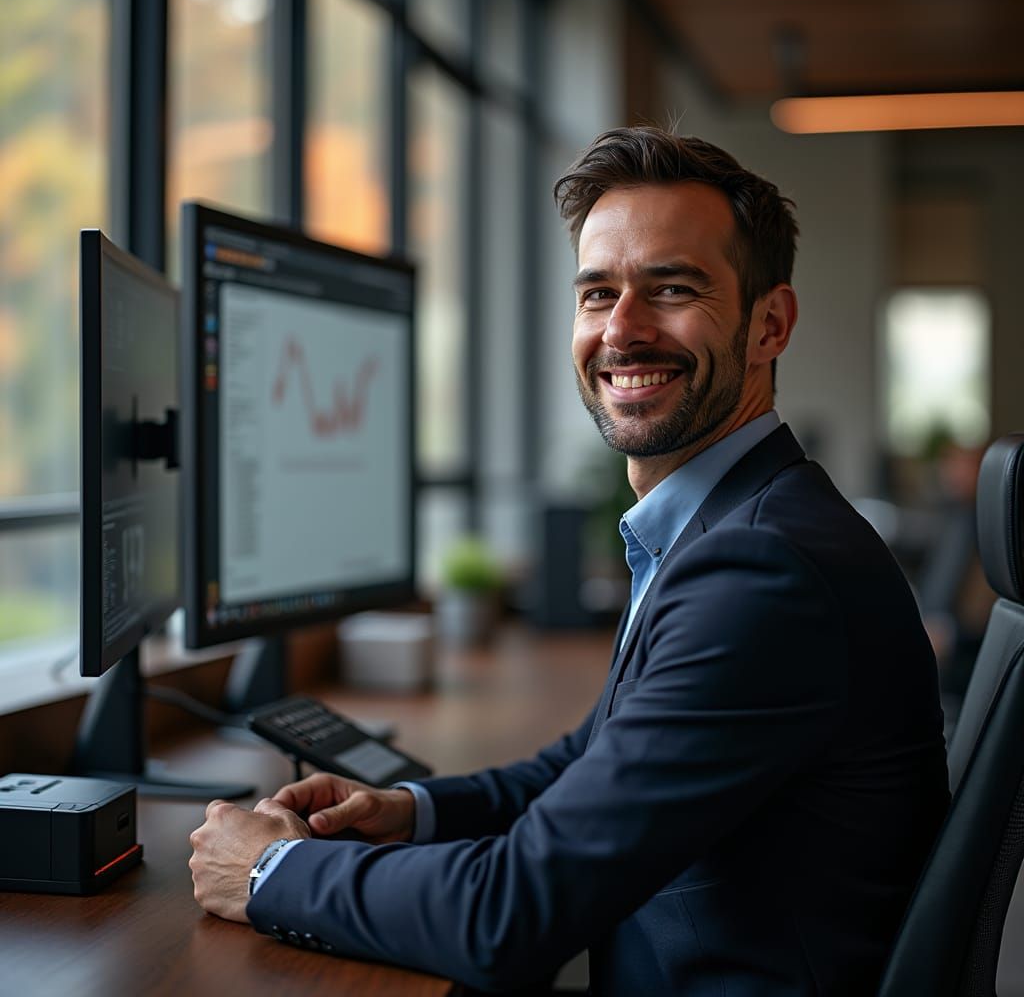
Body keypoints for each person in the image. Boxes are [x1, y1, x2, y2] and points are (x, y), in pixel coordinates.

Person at [190, 127, 950, 995]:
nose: (622, 331)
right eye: (597, 294)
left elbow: (509, 915)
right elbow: (587, 764)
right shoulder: (730, 525)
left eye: (672, 288)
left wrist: (267, 875)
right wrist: (410, 812)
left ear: (769, 324)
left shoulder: (763, 572)